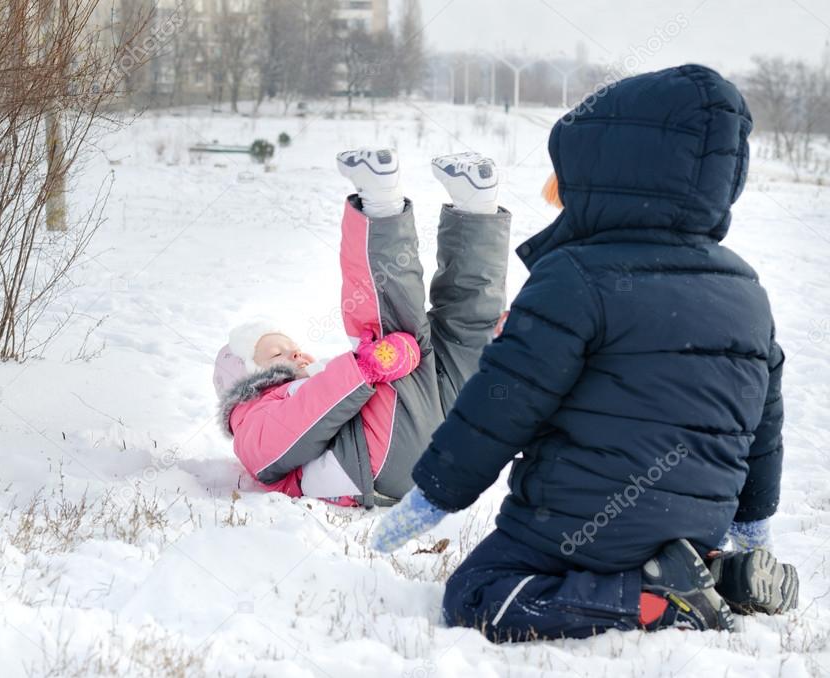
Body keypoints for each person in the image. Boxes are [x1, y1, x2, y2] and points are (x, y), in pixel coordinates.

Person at [370, 64, 799, 639]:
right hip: (697, 527)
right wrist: (752, 527)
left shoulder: (573, 276)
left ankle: (655, 602)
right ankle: (714, 575)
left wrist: (435, 496)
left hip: (578, 527)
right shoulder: (747, 290)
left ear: (607, 173)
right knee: (668, 552)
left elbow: (503, 403)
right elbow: (764, 424)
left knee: (478, 593)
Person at [213, 149, 512, 508]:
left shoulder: (313, 384)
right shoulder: (250, 422)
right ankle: (379, 203)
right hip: (385, 461)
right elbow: (298, 425)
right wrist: (364, 367)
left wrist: (347, 371)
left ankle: (475, 207)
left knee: (467, 332)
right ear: (247, 380)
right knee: (389, 328)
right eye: (276, 354)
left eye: (291, 346)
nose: (293, 352)